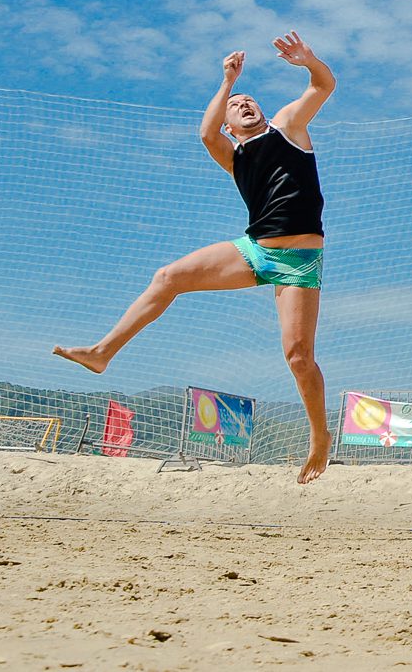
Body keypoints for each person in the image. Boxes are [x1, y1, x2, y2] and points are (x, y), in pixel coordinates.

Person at [54, 33, 337, 485]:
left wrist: (309, 62)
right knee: (168, 276)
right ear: (229, 123)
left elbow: (323, 87)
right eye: (237, 105)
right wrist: (228, 81)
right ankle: (102, 352)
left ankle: (319, 438)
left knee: (299, 357)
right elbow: (205, 132)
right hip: (255, 250)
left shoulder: (287, 126)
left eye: (250, 100)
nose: (246, 104)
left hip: (299, 260)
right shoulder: (232, 153)